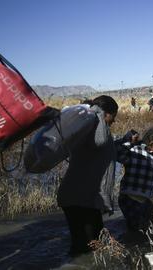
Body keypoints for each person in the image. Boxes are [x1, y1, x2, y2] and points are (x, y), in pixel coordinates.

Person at [57, 95, 119, 256]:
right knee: (87, 247)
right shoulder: (94, 127)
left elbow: (103, 150)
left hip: (82, 197)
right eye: (114, 116)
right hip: (79, 199)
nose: (114, 120)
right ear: (106, 113)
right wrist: (97, 111)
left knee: (88, 245)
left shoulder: (91, 128)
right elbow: (99, 142)